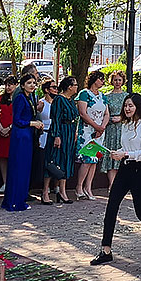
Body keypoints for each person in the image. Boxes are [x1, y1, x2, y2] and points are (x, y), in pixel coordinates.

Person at [91, 93, 141, 266]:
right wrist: (118, 152)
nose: (127, 109)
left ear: (138, 107)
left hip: (138, 171)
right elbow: (126, 147)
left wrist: (126, 154)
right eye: (126, 106)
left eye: (131, 106)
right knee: (111, 207)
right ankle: (106, 249)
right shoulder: (125, 125)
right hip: (124, 170)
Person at [2, 73, 44, 211]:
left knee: (25, 168)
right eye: (29, 83)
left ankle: (20, 199)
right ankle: (13, 201)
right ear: (22, 85)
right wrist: (32, 123)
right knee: (18, 167)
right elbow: (17, 120)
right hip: (20, 135)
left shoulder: (30, 97)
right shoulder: (20, 98)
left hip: (27, 135)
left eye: (34, 83)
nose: (32, 85)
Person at [42, 76, 80, 205]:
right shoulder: (59, 99)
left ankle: (62, 191)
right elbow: (56, 118)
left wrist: (74, 132)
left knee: (65, 160)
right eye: (75, 85)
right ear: (69, 87)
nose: (76, 87)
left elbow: (75, 117)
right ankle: (45, 191)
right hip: (60, 131)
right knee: (53, 160)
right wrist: (56, 135)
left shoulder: (71, 100)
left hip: (69, 132)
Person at [74, 71, 108, 200]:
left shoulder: (102, 96)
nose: (102, 82)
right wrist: (96, 126)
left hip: (99, 132)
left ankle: (88, 187)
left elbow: (106, 113)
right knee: (87, 159)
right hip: (87, 131)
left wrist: (102, 127)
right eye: (101, 79)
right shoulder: (84, 94)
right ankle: (79, 186)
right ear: (94, 80)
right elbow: (83, 113)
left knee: (94, 160)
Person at [98, 72, 129, 189]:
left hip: (122, 127)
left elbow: (131, 112)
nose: (117, 82)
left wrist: (121, 118)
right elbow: (103, 113)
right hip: (110, 129)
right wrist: (110, 119)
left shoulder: (126, 96)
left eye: (119, 80)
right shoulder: (106, 96)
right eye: (115, 80)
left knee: (122, 155)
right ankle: (111, 184)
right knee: (111, 155)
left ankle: (120, 184)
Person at [0, 75, 18, 194]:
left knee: (12, 156)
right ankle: (5, 182)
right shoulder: (2, 98)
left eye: (11, 84)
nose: (8, 87)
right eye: (7, 85)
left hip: (13, 130)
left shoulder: (19, 98)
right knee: (2, 157)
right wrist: (1, 127)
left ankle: (13, 182)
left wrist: (9, 128)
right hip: (1, 129)